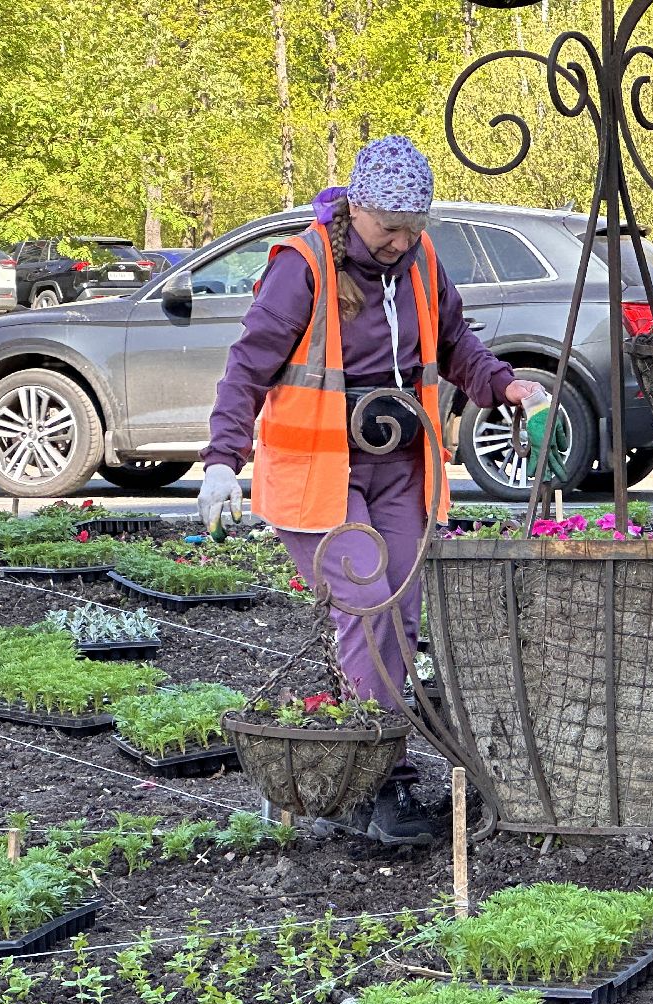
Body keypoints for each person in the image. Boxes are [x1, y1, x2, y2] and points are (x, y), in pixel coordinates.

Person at [198, 135, 545, 845]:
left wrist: (505, 384)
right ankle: (373, 782)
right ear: (356, 208)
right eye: (389, 229)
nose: (400, 243)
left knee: (403, 614)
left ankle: (371, 767)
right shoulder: (304, 267)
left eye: (413, 229)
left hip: (400, 469)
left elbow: (457, 346)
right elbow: (247, 366)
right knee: (365, 607)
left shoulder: (421, 261)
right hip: (318, 475)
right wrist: (219, 459)